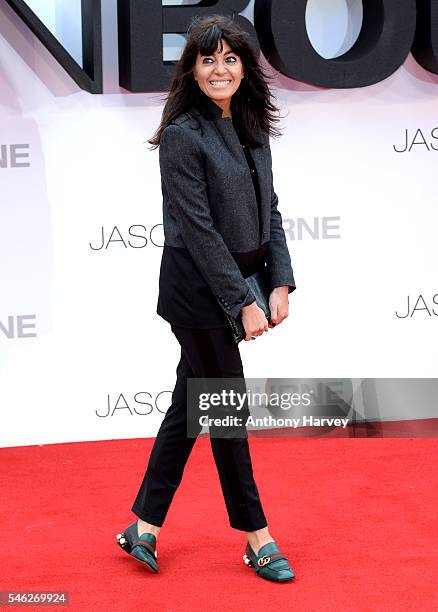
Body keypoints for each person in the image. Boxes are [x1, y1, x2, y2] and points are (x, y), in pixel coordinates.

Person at [116, 14, 296, 583]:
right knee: (226, 411)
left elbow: (270, 210)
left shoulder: (250, 125)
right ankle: (256, 537)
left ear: (244, 66)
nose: (220, 69)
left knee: (189, 407)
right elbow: (198, 229)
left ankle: (143, 526)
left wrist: (280, 280)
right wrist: (239, 301)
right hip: (198, 292)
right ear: (192, 69)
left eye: (230, 58)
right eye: (208, 59)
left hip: (240, 282)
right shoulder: (182, 136)